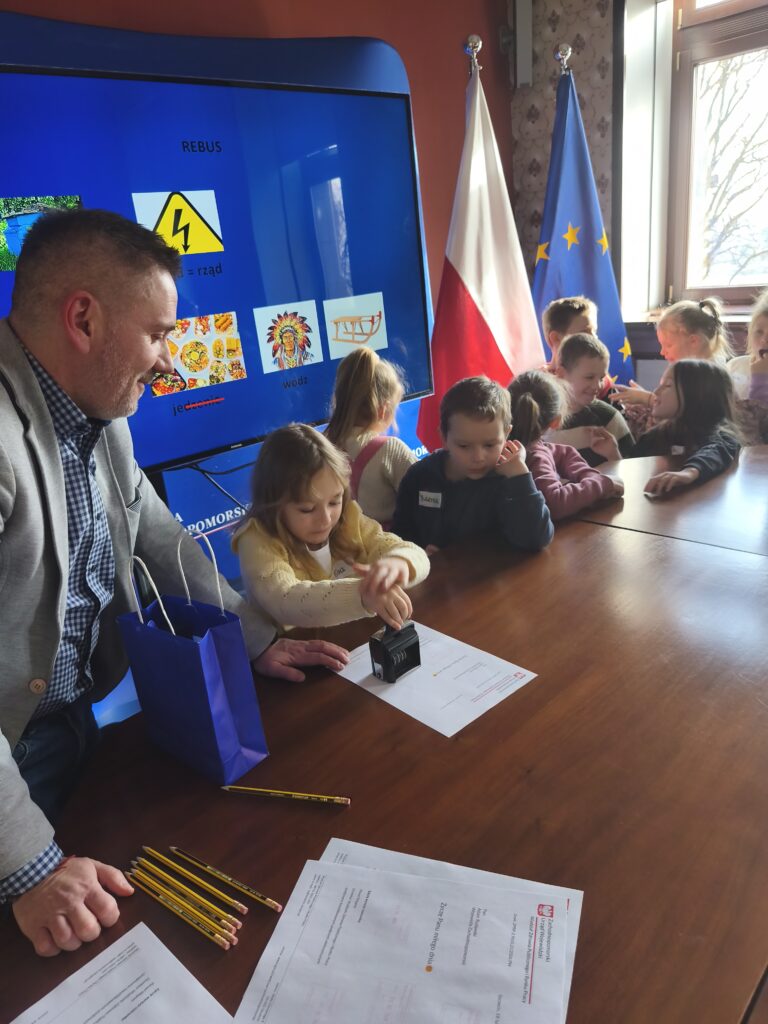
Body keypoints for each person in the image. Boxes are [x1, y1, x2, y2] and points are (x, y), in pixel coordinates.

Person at [0, 208, 348, 957]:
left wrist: (251, 638)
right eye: (158, 334)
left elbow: (158, 535)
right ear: (84, 319)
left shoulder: (99, 409)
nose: (170, 363)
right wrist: (28, 866)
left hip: (75, 728)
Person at [233, 423, 430, 630]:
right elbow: (285, 600)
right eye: (307, 509)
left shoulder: (349, 517)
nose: (326, 519)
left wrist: (398, 563)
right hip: (298, 645)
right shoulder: (256, 540)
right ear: (273, 505)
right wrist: (362, 594)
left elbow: (414, 554)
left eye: (335, 502)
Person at [392, 376, 553, 553]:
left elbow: (536, 539)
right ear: (444, 438)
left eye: (489, 445)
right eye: (464, 446)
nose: (478, 457)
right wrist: (416, 555)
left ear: (507, 434)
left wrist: (520, 478)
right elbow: (400, 536)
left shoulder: (510, 479)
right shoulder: (419, 476)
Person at [508, 370, 623, 520]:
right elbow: (555, 503)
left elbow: (559, 453)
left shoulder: (510, 445)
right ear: (556, 421)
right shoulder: (534, 456)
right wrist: (602, 484)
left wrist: (588, 475)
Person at [324, 347, 416, 526]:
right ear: (383, 410)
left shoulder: (321, 446)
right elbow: (425, 492)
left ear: (338, 400)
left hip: (341, 541)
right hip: (385, 542)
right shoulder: (390, 450)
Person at [630, 359, 741, 494]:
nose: (656, 391)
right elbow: (631, 471)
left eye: (667, 385)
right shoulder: (654, 436)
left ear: (695, 393)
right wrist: (613, 453)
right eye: (660, 384)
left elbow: (719, 448)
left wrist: (690, 471)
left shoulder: (720, 433)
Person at [611, 297, 733, 418]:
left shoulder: (709, 376)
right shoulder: (688, 371)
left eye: (668, 345)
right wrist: (646, 403)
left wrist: (646, 398)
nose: (662, 352)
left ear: (694, 341)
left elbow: (686, 411)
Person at [547, 333, 635, 465]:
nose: (597, 386)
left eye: (601, 378)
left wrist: (613, 454)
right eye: (589, 377)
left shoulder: (608, 418)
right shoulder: (542, 420)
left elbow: (632, 469)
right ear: (561, 374)